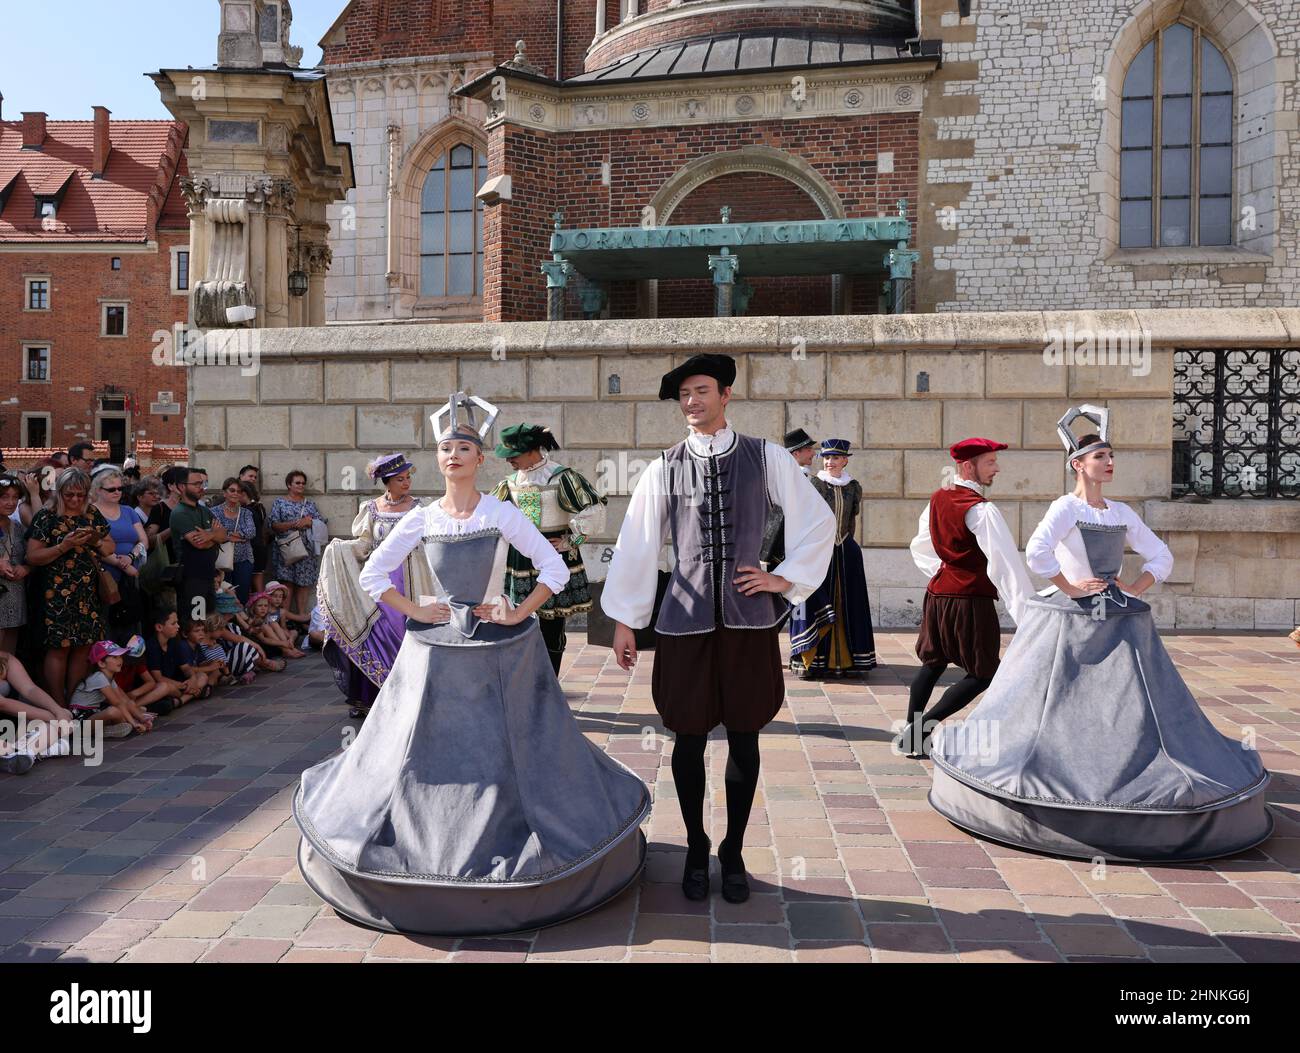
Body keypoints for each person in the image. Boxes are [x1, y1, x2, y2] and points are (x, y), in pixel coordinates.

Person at [294, 391, 650, 936]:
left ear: (480, 459)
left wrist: (517, 610)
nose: (454, 455)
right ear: (437, 459)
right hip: (435, 649)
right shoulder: (422, 518)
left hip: (498, 649)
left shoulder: (500, 512)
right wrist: (416, 608)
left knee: (509, 750)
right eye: (445, 447)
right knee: (417, 749)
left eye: (464, 447)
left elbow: (553, 570)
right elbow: (372, 576)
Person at [928, 407, 1273, 861]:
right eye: (1100, 457)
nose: (1109, 463)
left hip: (1121, 618)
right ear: (1078, 464)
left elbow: (1160, 555)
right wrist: (1069, 588)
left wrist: (1133, 587)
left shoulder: (1122, 512)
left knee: (1127, 705)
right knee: (1057, 701)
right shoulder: (1065, 507)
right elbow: (1037, 553)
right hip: (1071, 620)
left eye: (1111, 456)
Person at [602, 354, 835, 905]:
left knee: (746, 735)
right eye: (684, 395)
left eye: (702, 391)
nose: (692, 402)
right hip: (684, 623)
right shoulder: (665, 465)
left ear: (725, 395)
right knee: (685, 736)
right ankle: (695, 845)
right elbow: (638, 543)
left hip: (747, 621)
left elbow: (817, 520)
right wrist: (625, 621)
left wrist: (783, 578)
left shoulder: (766, 456)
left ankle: (732, 850)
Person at [899, 437, 1032, 759]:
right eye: (990, 462)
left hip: (938, 594)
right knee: (984, 673)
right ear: (967, 465)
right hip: (969, 600)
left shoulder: (937, 499)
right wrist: (1029, 615)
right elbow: (1005, 565)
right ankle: (919, 731)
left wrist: (944, 572)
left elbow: (920, 545)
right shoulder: (982, 510)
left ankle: (913, 737)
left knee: (932, 664)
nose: (996, 469)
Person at [317, 453, 432, 719]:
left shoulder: (420, 507)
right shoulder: (371, 509)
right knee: (375, 632)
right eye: (400, 479)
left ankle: (410, 696)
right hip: (380, 582)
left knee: (409, 634)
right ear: (387, 482)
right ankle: (374, 697)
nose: (407, 483)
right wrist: (341, 549)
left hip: (412, 581)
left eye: (408, 477)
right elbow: (364, 545)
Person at [491, 424, 607, 675]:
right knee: (517, 620)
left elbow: (594, 511)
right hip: (519, 561)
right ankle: (524, 683)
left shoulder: (562, 477)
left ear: (533, 450)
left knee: (552, 625)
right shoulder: (509, 483)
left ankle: (550, 683)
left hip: (555, 557)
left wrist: (571, 542)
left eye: (514, 455)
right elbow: (490, 517)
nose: (509, 461)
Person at [24, 468, 116, 707]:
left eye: (80, 495)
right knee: (59, 647)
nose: (75, 500)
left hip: (87, 591)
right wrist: (64, 546)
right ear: (60, 493)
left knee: (82, 645)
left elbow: (109, 548)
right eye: (69, 495)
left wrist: (94, 538)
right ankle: (58, 702)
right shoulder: (47, 516)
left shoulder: (92, 514)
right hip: (55, 592)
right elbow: (33, 556)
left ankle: (74, 700)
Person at [788, 438, 877, 680]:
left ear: (845, 460)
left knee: (850, 605)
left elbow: (851, 521)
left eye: (836, 457)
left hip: (846, 552)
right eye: (826, 457)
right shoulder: (813, 483)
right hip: (820, 552)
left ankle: (851, 661)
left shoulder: (853, 487)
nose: (830, 462)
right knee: (816, 603)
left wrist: (848, 544)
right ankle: (812, 661)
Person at [91, 465, 147, 639]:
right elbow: (94, 545)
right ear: (98, 490)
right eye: (111, 489)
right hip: (106, 577)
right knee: (107, 624)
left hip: (131, 575)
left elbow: (143, 540)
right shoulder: (91, 512)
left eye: (120, 488)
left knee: (132, 625)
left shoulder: (129, 511)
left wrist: (131, 557)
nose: (117, 492)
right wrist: (121, 564)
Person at [169, 468, 227, 627]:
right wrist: (214, 535)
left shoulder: (204, 510)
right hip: (192, 578)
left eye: (202, 483)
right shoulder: (180, 513)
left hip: (208, 576)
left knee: (208, 621)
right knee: (195, 623)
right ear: (182, 487)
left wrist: (210, 535)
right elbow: (198, 543)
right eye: (196, 484)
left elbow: (224, 535)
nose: (201, 487)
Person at [69, 640, 155, 737]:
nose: (120, 660)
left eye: (120, 657)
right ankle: (102, 731)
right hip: (80, 719)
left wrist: (141, 718)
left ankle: (112, 728)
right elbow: (117, 703)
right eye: (114, 657)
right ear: (101, 663)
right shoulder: (99, 677)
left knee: (127, 706)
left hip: (94, 713)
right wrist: (134, 723)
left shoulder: (109, 678)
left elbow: (123, 700)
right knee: (113, 711)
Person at [269, 470, 325, 619]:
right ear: (289, 484)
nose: (301, 485)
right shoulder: (280, 503)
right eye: (297, 482)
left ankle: (301, 616)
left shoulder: (310, 504)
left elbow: (322, 523)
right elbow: (273, 525)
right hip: (286, 549)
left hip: (306, 550)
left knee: (304, 583)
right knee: (286, 583)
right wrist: (296, 524)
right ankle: (285, 619)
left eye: (303, 483)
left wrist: (311, 522)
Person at [211, 477, 256, 604]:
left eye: (239, 491)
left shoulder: (246, 513)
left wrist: (228, 535)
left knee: (242, 595)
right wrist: (237, 537)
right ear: (224, 493)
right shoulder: (214, 512)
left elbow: (252, 532)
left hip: (244, 559)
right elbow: (215, 533)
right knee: (224, 593)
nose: (236, 493)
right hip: (221, 559)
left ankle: (241, 623)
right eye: (232, 490)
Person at [0, 476, 31, 655]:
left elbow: (31, 557)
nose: (11, 502)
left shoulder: (18, 527)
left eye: (15, 497)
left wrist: (26, 568)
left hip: (14, 596)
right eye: (4, 497)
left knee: (8, 656)